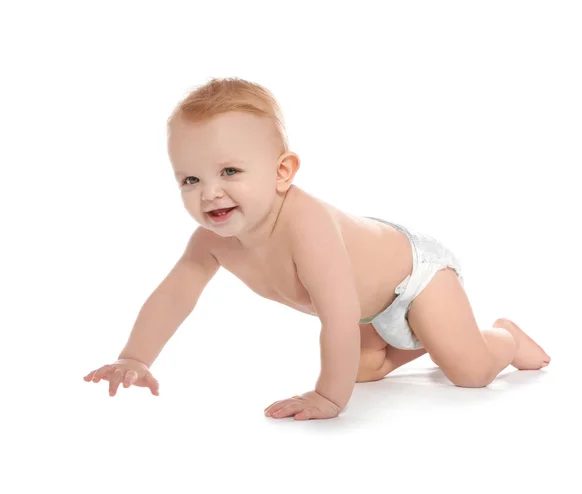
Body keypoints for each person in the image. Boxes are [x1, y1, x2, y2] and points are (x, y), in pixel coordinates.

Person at [83, 77, 550, 420]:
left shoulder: (307, 226)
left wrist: (329, 396)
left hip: (414, 276)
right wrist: (135, 357)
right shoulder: (211, 242)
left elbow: (338, 316)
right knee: (364, 370)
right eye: (191, 179)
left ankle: (505, 337)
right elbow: (173, 297)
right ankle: (433, 336)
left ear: (283, 171)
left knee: (469, 372)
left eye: (229, 172)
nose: (209, 193)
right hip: (371, 309)